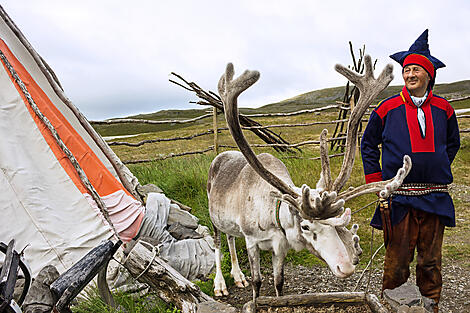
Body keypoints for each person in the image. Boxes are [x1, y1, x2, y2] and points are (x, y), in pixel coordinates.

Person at [360, 29, 460, 313]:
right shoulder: (387, 108)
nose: (409, 74)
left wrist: (437, 165)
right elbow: (369, 145)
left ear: (429, 75)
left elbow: (452, 144)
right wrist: (376, 181)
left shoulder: (445, 109)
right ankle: (394, 308)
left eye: (416, 69)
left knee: (430, 262)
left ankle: (430, 307)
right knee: (396, 261)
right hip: (399, 198)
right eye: (406, 69)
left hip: (434, 198)